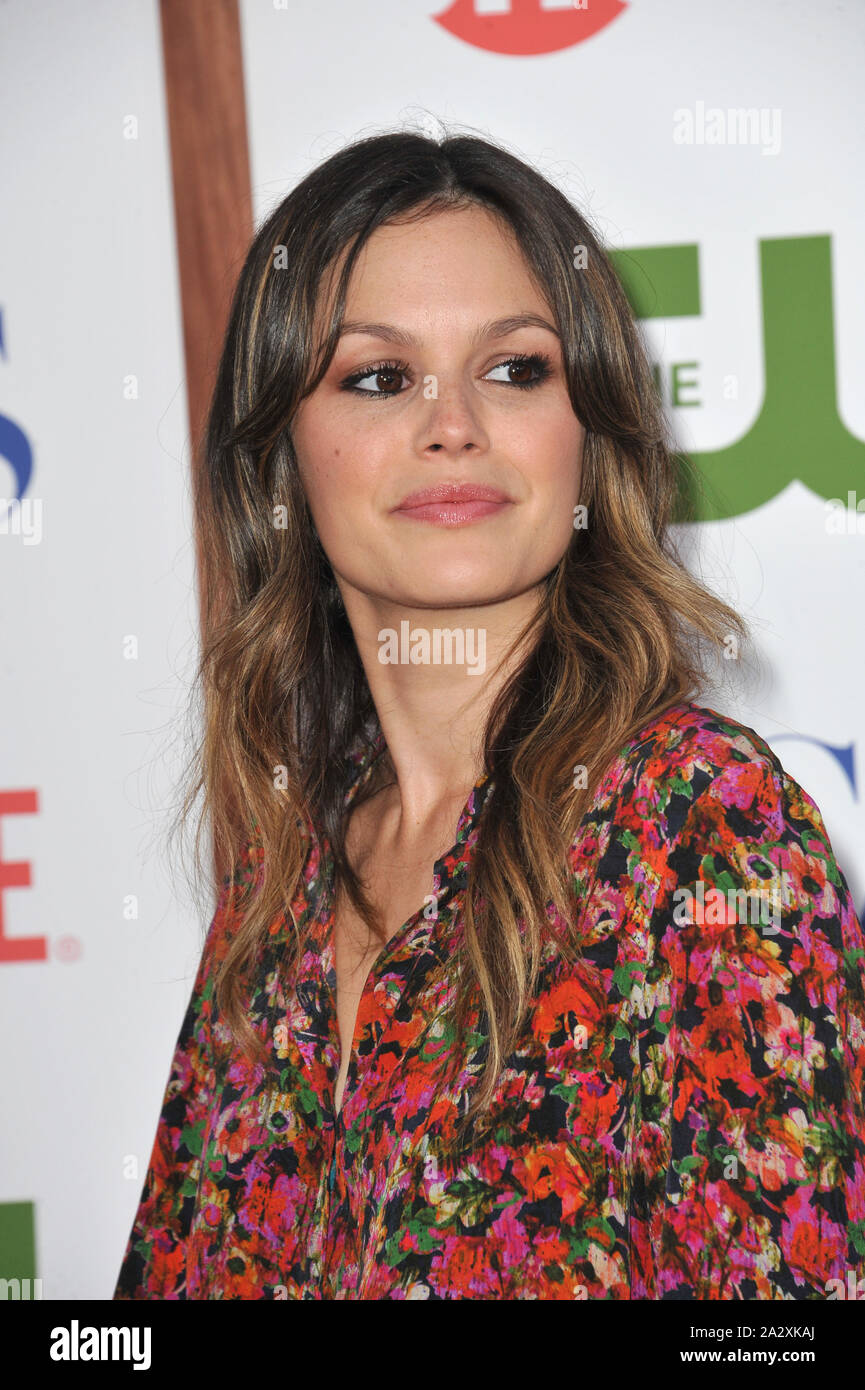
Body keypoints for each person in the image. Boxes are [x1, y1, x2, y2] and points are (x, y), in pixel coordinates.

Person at [113, 128, 865, 1300]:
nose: (451, 422)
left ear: (591, 436)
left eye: (515, 369)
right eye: (378, 376)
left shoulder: (699, 823)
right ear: (282, 467)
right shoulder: (277, 883)